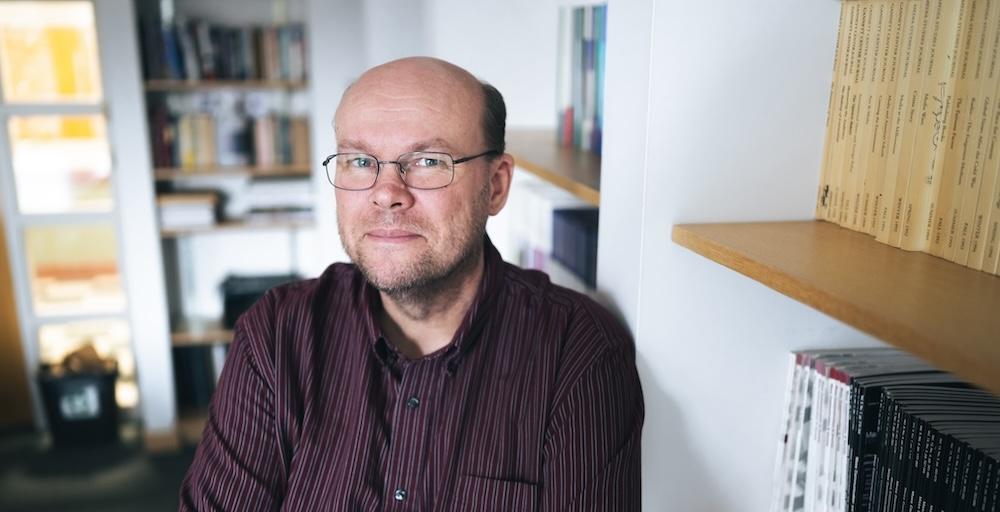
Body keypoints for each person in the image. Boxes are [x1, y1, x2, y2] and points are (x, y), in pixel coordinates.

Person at [180, 57, 643, 511]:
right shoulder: (277, 334)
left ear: (496, 186)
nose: (386, 193)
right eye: (360, 160)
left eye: (427, 160)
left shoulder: (580, 356)